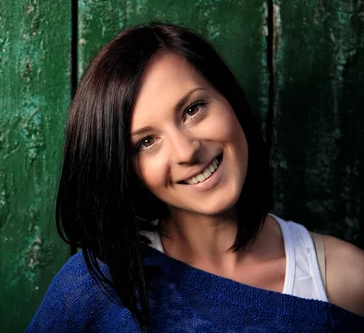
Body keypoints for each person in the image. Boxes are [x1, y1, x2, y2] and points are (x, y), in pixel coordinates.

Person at [26, 23, 364, 332]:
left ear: (229, 98)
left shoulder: (346, 278)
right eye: (146, 142)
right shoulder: (94, 287)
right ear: (127, 170)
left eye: (193, 109)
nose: (186, 151)